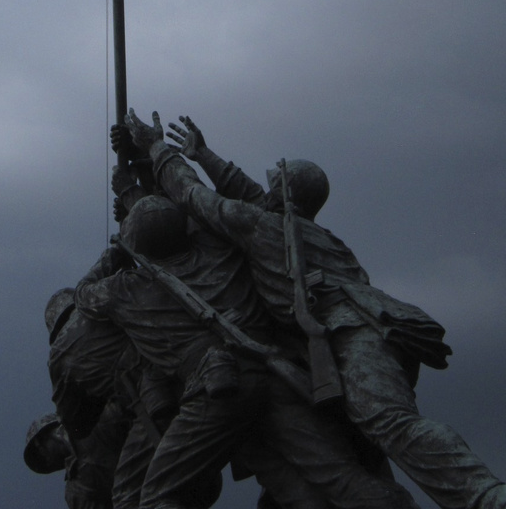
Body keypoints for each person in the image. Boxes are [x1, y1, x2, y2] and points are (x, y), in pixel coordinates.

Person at [123, 110, 506, 509]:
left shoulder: (263, 227)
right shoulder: (317, 234)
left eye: (272, 187)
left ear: (280, 195)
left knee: (390, 424)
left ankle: (483, 494)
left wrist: (159, 149)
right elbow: (258, 200)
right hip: (376, 334)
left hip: (351, 334)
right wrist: (205, 155)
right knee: (362, 450)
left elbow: (195, 197)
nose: (263, 192)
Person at [76, 194, 422, 509]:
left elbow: (83, 294)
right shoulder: (221, 252)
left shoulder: (125, 289)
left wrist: (115, 254)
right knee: (335, 478)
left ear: (140, 246)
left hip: (216, 396)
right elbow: (198, 222)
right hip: (270, 376)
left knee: (158, 496)